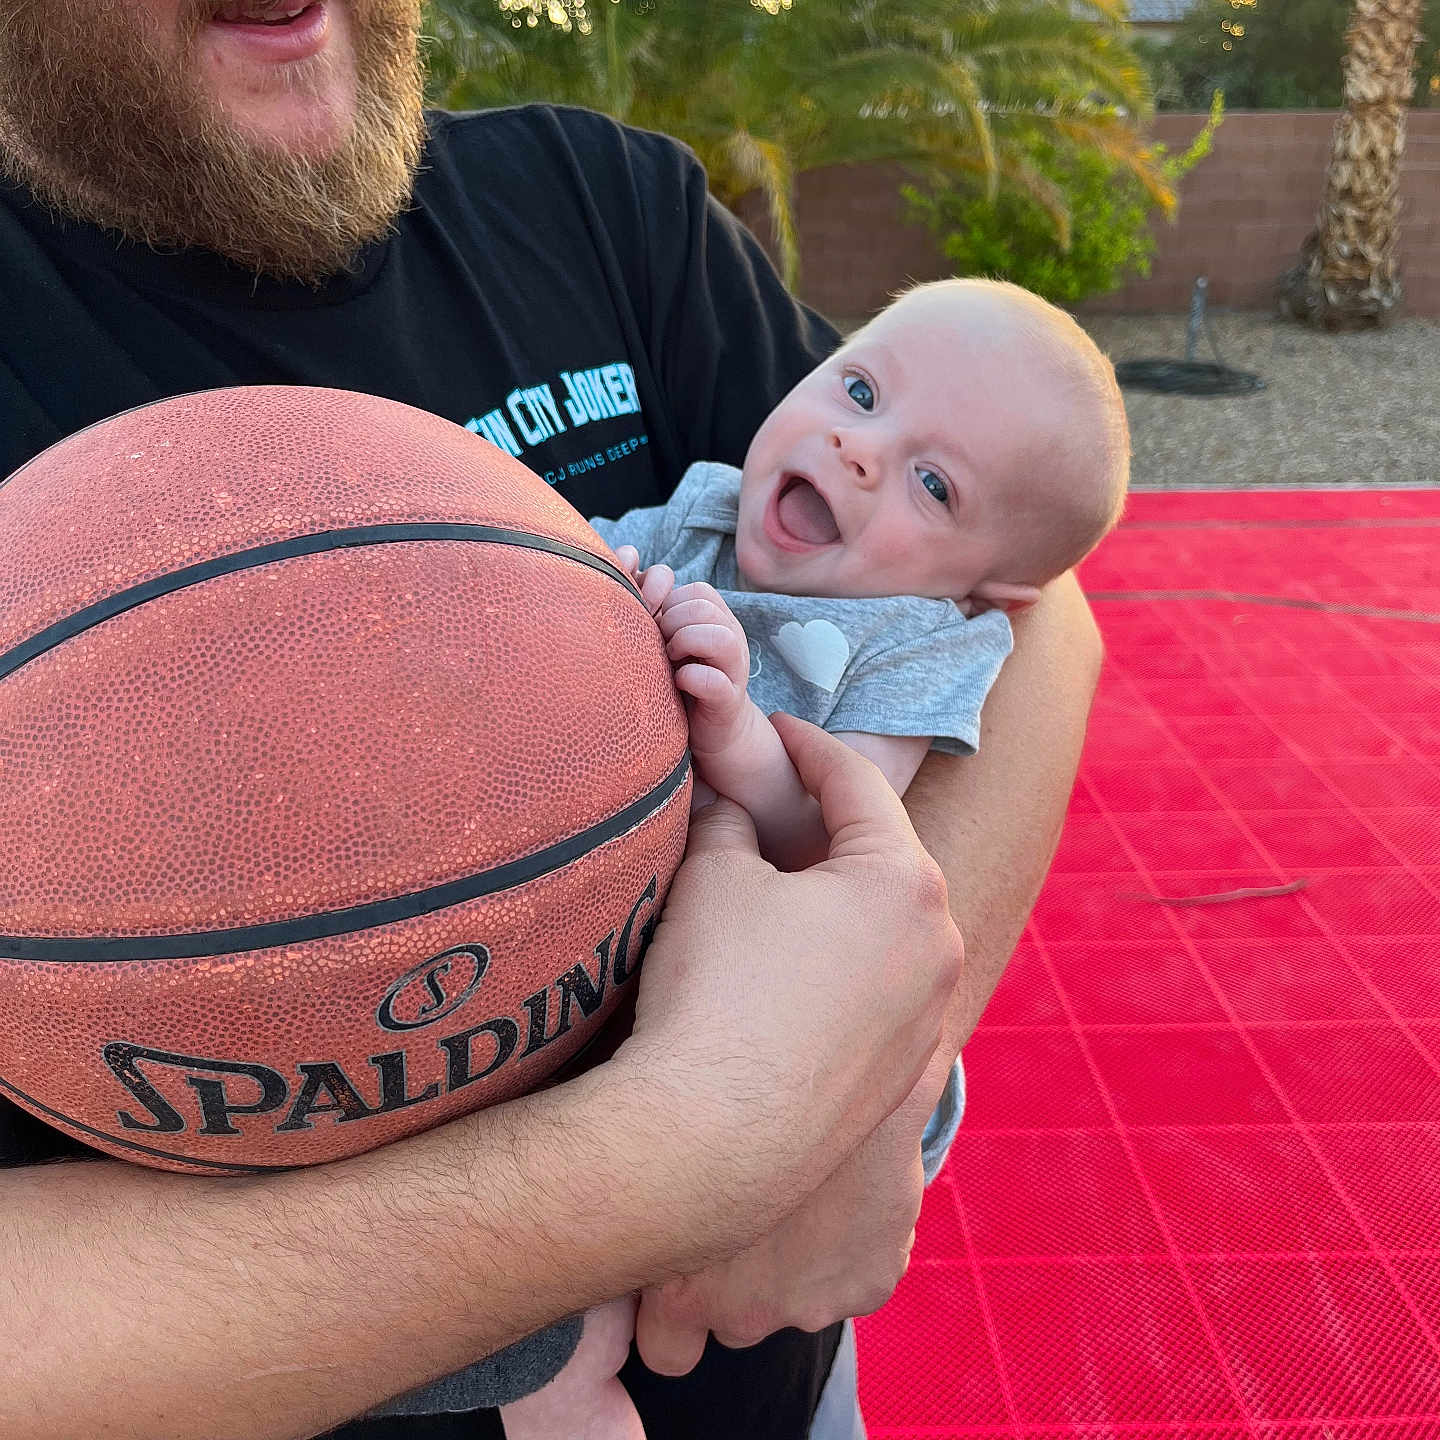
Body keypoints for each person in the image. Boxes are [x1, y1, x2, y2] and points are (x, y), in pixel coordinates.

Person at [0, 3, 1104, 1437]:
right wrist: (699, 1152)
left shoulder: (596, 199)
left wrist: (877, 1073)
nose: (854, 441)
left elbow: (1026, 614)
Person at [495, 277, 1130, 1439]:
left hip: (777, 998)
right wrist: (579, 583)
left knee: (637, 1212)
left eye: (936, 484)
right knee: (524, 1192)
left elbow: (832, 845)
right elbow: (581, 562)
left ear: (989, 586)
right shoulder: (699, 514)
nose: (859, 449)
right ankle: (548, 1381)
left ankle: (579, 1387)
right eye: (860, 389)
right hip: (616, 972)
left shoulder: (923, 646)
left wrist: (739, 735)